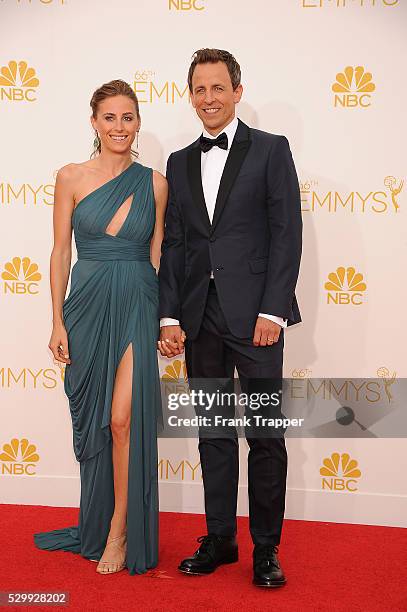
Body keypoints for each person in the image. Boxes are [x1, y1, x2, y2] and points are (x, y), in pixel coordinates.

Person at [158, 49, 302, 587]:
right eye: (200, 89)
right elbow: (176, 244)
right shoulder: (178, 161)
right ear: (190, 95)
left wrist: (274, 309)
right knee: (214, 434)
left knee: (265, 435)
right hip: (201, 319)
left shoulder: (271, 150)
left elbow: (287, 234)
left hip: (257, 318)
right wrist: (168, 315)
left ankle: (266, 549)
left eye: (219, 88)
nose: (209, 98)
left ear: (237, 92)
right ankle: (220, 537)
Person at [33, 79, 168, 575]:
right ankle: (101, 519)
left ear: (138, 123)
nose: (119, 127)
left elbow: (157, 254)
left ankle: (119, 529)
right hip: (86, 307)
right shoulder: (69, 177)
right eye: (109, 117)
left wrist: (164, 319)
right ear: (94, 122)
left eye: (127, 117)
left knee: (121, 421)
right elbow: (60, 252)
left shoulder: (155, 182)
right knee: (96, 421)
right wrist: (56, 321)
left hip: (137, 300)